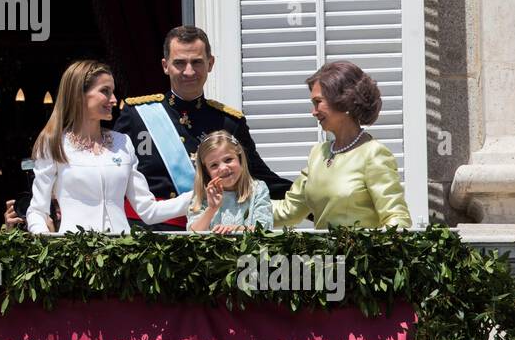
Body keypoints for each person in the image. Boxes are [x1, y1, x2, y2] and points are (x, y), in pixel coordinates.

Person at [111, 25, 289, 232]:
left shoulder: (229, 122)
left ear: (210, 63)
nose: (189, 71)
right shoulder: (136, 115)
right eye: (179, 63)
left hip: (206, 235)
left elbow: (261, 177)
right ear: (165, 65)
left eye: (197, 62)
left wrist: (313, 199)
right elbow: (111, 173)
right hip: (146, 233)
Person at [25, 60, 191, 234]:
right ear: (78, 95)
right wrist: (45, 245)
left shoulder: (123, 142)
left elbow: (148, 211)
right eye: (105, 91)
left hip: (121, 252)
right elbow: (37, 211)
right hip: (73, 253)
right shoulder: (54, 143)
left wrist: (197, 197)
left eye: (113, 92)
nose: (113, 99)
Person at [273, 61, 411, 230]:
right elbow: (288, 211)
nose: (313, 111)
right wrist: (238, 209)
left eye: (318, 102)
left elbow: (397, 218)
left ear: (343, 102)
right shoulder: (318, 154)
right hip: (325, 257)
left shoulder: (373, 153)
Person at [186, 131, 273, 233]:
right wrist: (211, 209)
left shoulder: (257, 189)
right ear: (206, 171)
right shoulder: (203, 195)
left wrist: (234, 230)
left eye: (228, 160)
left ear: (239, 158)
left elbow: (265, 229)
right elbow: (192, 235)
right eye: (214, 165)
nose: (223, 168)